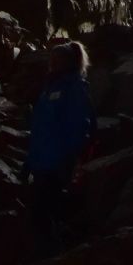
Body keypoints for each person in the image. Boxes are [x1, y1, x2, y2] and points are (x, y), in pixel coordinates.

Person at [22, 40, 96, 253]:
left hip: (56, 163)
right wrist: (30, 161)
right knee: (42, 213)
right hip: (43, 162)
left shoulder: (73, 89)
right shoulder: (50, 88)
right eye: (51, 59)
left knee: (44, 213)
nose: (51, 63)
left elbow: (78, 126)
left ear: (67, 62)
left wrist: (69, 158)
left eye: (56, 60)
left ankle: (55, 259)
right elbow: (40, 130)